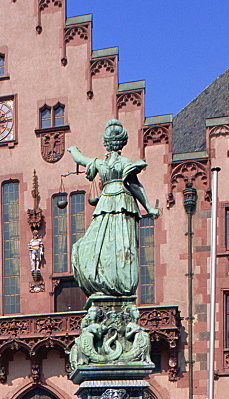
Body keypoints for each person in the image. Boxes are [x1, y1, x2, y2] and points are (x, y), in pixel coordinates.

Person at [67, 119, 160, 297]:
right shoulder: (124, 162)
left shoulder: (102, 164)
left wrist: (73, 149)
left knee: (113, 244)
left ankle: (114, 281)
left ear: (106, 143)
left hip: (109, 204)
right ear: (123, 142)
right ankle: (115, 280)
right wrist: (149, 207)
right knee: (119, 244)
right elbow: (135, 186)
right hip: (122, 204)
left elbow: (80, 158)